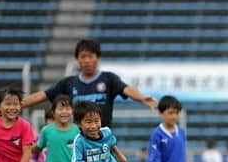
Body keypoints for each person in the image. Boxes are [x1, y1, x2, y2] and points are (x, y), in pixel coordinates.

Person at [19, 38, 157, 127]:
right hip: (78, 142)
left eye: (90, 56)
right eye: (82, 57)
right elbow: (43, 95)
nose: (86, 61)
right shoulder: (69, 83)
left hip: (102, 140)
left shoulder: (109, 79)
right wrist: (18, 105)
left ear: (98, 57)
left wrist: (142, 98)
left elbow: (126, 89)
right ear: (77, 59)